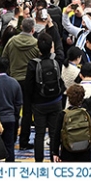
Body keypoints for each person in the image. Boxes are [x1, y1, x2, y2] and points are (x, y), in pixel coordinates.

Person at [25, 32, 66, 162]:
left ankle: (39, 162)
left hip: (39, 103)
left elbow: (28, 87)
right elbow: (60, 48)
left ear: (38, 47)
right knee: (54, 133)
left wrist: (31, 102)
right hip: (56, 101)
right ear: (51, 46)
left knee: (39, 134)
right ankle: (54, 158)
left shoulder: (33, 64)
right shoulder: (57, 60)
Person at [2, 18, 39, 150]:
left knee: (13, 110)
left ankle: (11, 139)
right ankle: (24, 141)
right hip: (30, 81)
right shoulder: (36, 43)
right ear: (33, 29)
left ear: (21, 27)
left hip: (13, 79)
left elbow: (4, 57)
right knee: (27, 112)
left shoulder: (12, 41)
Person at [51, 84, 91, 162]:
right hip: (85, 152)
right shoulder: (87, 114)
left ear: (69, 98)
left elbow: (57, 135)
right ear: (82, 97)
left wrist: (55, 153)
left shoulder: (63, 114)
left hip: (67, 152)